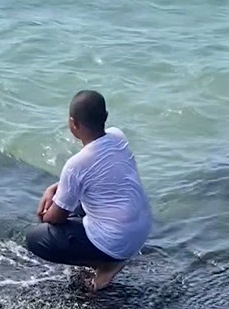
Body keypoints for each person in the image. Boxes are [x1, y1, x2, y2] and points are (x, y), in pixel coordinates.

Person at [26, 90, 153, 291]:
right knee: (77, 200)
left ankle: (106, 264)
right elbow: (94, 175)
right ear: (106, 117)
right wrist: (55, 188)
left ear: (73, 124)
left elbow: (55, 218)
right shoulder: (118, 136)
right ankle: (110, 256)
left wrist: (45, 209)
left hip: (118, 242)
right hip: (141, 230)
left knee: (35, 238)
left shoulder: (75, 164)